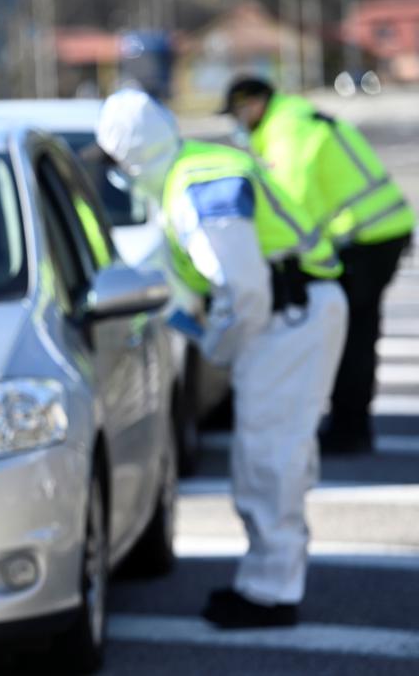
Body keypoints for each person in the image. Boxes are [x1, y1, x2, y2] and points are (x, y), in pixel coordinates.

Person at [96, 89, 348, 628]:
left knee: (269, 458)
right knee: (276, 454)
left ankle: (270, 594)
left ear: (130, 158)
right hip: (292, 313)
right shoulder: (187, 174)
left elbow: (244, 289)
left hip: (287, 316)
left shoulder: (196, 185)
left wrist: (220, 349)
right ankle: (271, 580)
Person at [223, 77, 415, 454]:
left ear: (255, 104)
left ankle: (349, 430)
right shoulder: (293, 118)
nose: (237, 123)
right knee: (356, 333)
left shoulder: (287, 130)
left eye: (238, 113)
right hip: (379, 233)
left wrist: (283, 260)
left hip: (366, 240)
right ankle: (352, 425)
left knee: (349, 337)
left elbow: (292, 206)